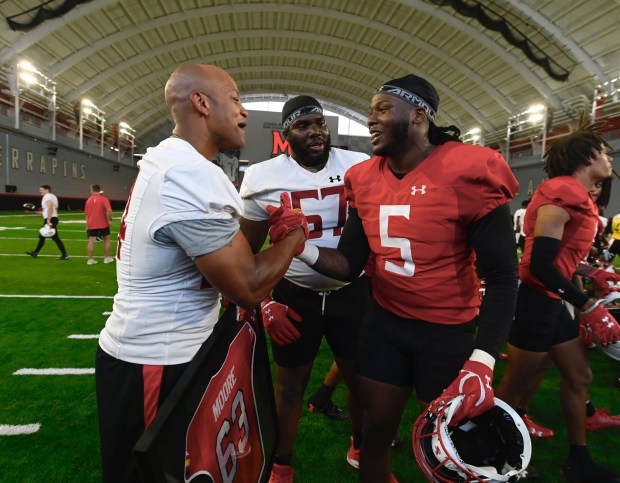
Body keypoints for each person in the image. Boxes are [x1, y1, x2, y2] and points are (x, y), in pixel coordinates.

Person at [286, 74, 519, 482]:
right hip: (386, 324)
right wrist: (298, 247)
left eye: (381, 109)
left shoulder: (470, 168)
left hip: (446, 331)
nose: (371, 120)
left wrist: (482, 359)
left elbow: (502, 276)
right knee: (375, 434)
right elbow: (349, 263)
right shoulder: (362, 177)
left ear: (418, 115)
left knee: (453, 450)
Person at [94, 64, 308, 483]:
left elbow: (223, 264)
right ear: (202, 103)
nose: (244, 112)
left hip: (159, 353)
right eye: (235, 100)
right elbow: (247, 286)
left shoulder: (170, 160)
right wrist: (294, 236)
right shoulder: (189, 173)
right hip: (156, 360)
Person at [239, 95, 370, 482]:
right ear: (285, 134)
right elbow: (245, 252)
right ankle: (282, 461)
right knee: (290, 386)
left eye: (320, 123)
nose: (315, 131)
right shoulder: (262, 176)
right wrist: (265, 304)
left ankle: (360, 444)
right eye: (303, 125)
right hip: (295, 294)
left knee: (360, 379)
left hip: (352, 292)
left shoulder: (359, 166)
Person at [496, 116, 620, 482]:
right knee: (516, 386)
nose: (609, 159)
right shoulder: (563, 192)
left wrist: (588, 273)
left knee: (580, 375)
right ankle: (498, 457)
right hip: (536, 299)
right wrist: (589, 305)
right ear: (584, 158)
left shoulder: (576, 195)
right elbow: (539, 264)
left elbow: (558, 259)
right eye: (602, 152)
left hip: (550, 298)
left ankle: (577, 461)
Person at [25, 184, 69, 260]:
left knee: (54, 238)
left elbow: (50, 207)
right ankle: (35, 252)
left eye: (41, 190)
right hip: (52, 218)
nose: (40, 191)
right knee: (42, 236)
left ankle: (65, 255)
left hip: (50, 219)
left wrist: (48, 220)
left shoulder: (47, 196)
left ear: (47, 190)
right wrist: (32, 212)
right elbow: (46, 210)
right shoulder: (52, 196)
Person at [84, 184, 114, 265]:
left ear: (92, 190)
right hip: (103, 223)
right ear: (99, 190)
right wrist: (110, 220)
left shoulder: (88, 200)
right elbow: (109, 211)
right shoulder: (104, 199)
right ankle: (106, 258)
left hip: (92, 224)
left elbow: (86, 214)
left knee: (91, 241)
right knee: (107, 239)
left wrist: (88, 225)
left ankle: (90, 260)